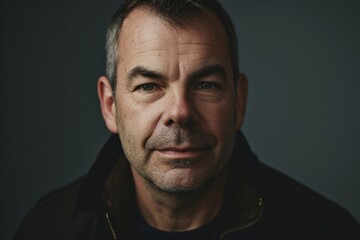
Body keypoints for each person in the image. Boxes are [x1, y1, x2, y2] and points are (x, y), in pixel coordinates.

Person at [14, 0, 359, 239]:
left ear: (238, 102)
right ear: (110, 105)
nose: (180, 112)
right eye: (149, 85)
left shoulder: (324, 230)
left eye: (206, 84)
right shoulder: (48, 230)